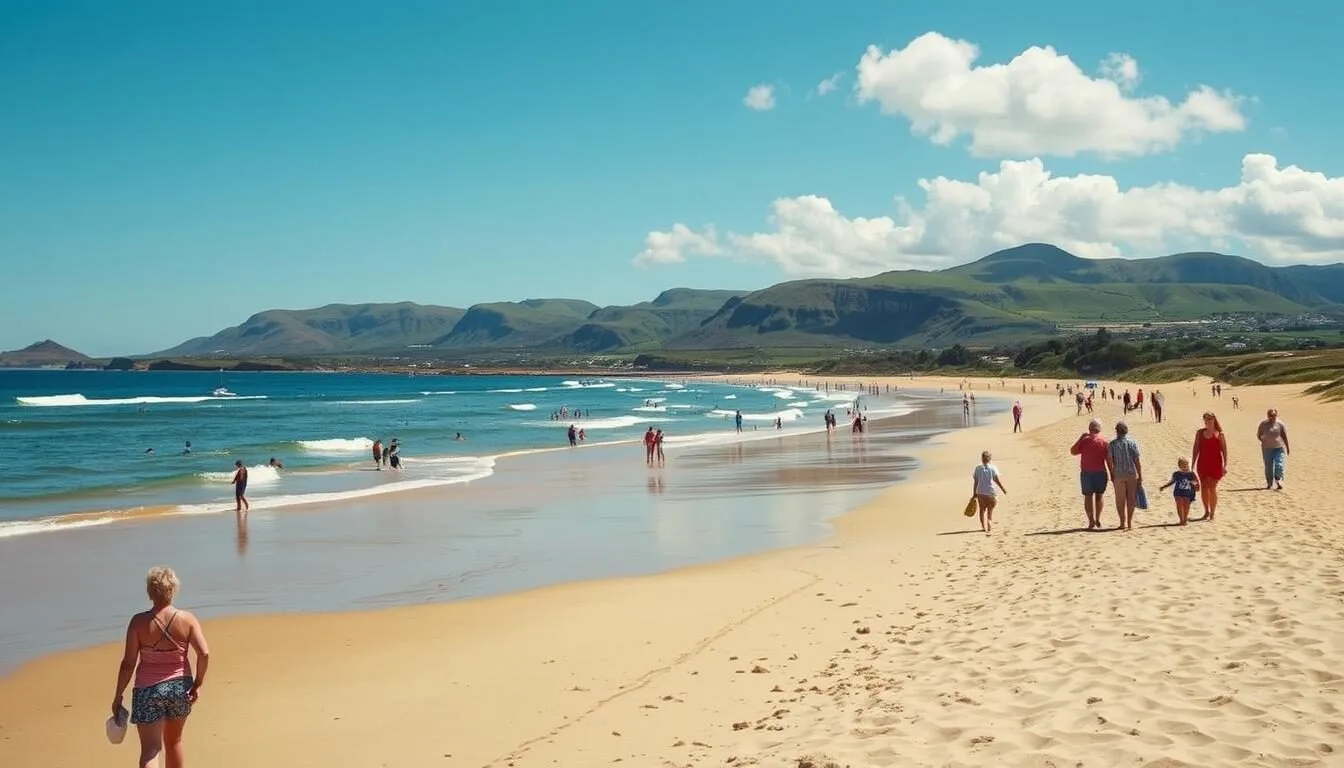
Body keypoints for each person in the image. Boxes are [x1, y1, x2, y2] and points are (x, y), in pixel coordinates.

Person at [111, 567, 211, 768]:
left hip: (148, 690)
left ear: (150, 591)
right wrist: (198, 683)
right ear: (173, 590)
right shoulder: (187, 619)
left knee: (151, 749)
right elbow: (204, 653)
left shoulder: (138, 622)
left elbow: (128, 663)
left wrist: (118, 695)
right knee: (174, 742)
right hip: (179, 688)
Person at [1070, 418, 1110, 530]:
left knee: (1088, 497)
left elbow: (1073, 451)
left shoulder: (1085, 440)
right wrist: (1112, 473)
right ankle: (1097, 519)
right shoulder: (1104, 441)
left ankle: (1091, 521)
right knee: (1099, 496)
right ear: (1099, 429)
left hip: (1087, 473)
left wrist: (1081, 438)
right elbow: (1108, 460)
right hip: (1100, 472)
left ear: (1089, 428)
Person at [1192, 412, 1228, 521]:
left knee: (1212, 488)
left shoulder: (1219, 434)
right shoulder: (1200, 433)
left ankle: (1212, 513)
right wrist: (1192, 465)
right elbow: (1195, 449)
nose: (1207, 421)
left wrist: (1225, 465)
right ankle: (1206, 511)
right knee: (1204, 488)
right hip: (1202, 464)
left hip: (1215, 464)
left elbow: (1224, 451)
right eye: (1205, 419)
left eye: (1210, 419)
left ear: (1214, 420)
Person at [1106, 421, 1142, 531]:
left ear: (1117, 431)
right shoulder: (1133, 442)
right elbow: (1137, 460)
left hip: (1119, 474)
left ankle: (1122, 522)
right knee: (1131, 499)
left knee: (1120, 500)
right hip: (1131, 473)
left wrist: (1111, 473)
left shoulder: (1112, 444)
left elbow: (1110, 460)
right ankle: (1130, 522)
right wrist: (1140, 475)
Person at [971, 450, 1007, 534]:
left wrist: (974, 494)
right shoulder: (993, 468)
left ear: (982, 458)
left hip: (981, 493)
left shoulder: (978, 468)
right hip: (991, 492)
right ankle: (989, 523)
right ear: (990, 459)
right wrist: (1003, 489)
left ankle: (983, 527)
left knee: (981, 510)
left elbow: (976, 482)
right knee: (990, 511)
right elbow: (997, 480)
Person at [1159, 458, 1200, 526]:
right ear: (1179, 466)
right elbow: (1172, 482)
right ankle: (1181, 520)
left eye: (1186, 465)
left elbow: (1196, 482)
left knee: (1186, 506)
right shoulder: (1176, 474)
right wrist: (1164, 486)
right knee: (1179, 505)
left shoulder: (1191, 474)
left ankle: (1185, 519)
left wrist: (1197, 487)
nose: (1185, 467)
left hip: (1187, 492)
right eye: (1183, 465)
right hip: (1178, 492)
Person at [1256, 408, 1290, 490]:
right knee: (1268, 467)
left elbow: (1284, 436)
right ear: (1267, 416)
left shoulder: (1280, 424)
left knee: (1279, 464)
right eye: (1270, 415)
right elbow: (1258, 434)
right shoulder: (1263, 424)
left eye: (1274, 415)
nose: (1272, 417)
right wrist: (1262, 439)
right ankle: (1269, 483)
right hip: (1267, 448)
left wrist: (1287, 447)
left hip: (1278, 448)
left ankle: (1278, 480)